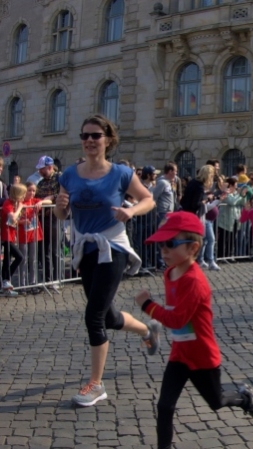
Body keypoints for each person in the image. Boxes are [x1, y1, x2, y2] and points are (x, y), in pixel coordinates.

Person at [135, 211, 253, 449]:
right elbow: (173, 314)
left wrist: (147, 305)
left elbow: (177, 319)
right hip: (180, 355)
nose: (163, 250)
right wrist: (156, 323)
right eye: (161, 244)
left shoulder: (195, 281)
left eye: (170, 244)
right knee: (164, 405)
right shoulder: (170, 272)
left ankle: (245, 398)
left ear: (193, 248)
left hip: (203, 357)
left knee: (217, 402)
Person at [54, 114, 157, 407]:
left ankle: (96, 385)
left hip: (113, 248)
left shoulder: (121, 173)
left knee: (94, 316)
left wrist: (131, 211)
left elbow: (148, 199)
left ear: (108, 139)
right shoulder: (69, 175)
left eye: (95, 135)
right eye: (84, 135)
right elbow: (62, 214)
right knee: (108, 317)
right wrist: (59, 207)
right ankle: (147, 330)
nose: (89, 140)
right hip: (85, 249)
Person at [17, 182, 52, 290]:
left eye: (33, 191)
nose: (32, 193)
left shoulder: (34, 201)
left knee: (33, 259)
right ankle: (22, 283)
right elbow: (14, 218)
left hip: (34, 233)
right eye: (29, 190)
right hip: (23, 234)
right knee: (23, 259)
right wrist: (21, 221)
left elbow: (50, 201)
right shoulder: (20, 203)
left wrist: (41, 202)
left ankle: (33, 282)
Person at [35, 155, 63, 288]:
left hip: (55, 217)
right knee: (44, 250)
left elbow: (66, 194)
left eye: (42, 169)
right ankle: (47, 279)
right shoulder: (40, 183)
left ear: (50, 167)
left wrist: (53, 197)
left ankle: (57, 279)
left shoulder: (59, 178)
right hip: (42, 218)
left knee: (55, 250)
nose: (40, 171)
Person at [0, 184, 27, 293]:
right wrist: (20, 207)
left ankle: (6, 281)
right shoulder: (8, 203)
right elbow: (13, 217)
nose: (24, 196)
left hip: (11, 234)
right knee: (18, 257)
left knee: (9, 258)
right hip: (5, 235)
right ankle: (5, 279)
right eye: (23, 194)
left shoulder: (15, 204)